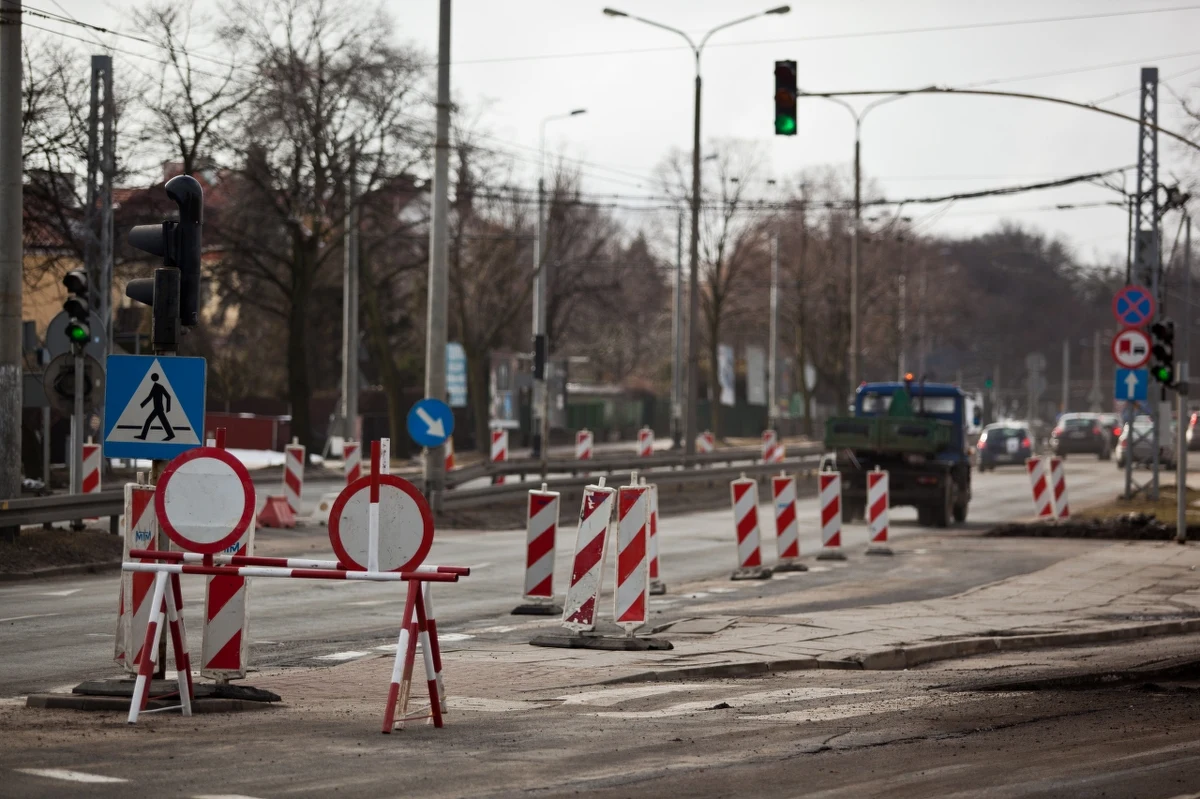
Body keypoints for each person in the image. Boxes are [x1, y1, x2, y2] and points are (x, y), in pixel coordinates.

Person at [134, 373, 174, 441]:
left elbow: (168, 396)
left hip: (158, 408)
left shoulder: (157, 387)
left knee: (151, 421)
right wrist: (142, 405)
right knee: (161, 421)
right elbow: (150, 397)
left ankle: (143, 436)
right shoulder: (156, 387)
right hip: (157, 408)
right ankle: (170, 435)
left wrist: (168, 409)